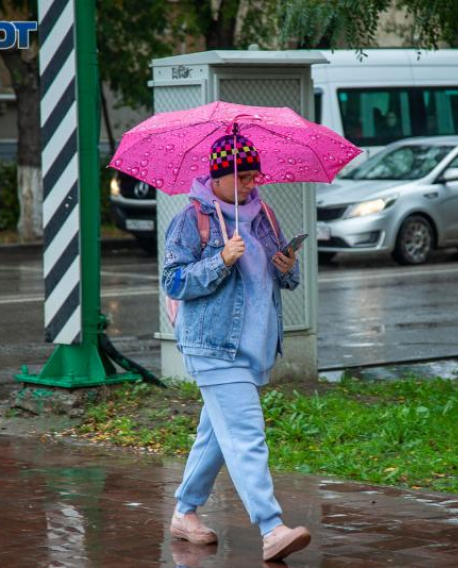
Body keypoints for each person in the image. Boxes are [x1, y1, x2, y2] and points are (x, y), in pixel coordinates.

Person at [162, 132, 311, 563]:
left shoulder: (262, 214)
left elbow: (279, 281)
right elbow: (174, 280)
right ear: (219, 176)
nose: (251, 184)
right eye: (243, 176)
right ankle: (271, 528)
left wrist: (288, 267)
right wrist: (220, 260)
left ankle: (184, 513)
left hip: (254, 348)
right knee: (246, 434)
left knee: (215, 436)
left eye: (254, 175)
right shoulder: (193, 219)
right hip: (212, 346)